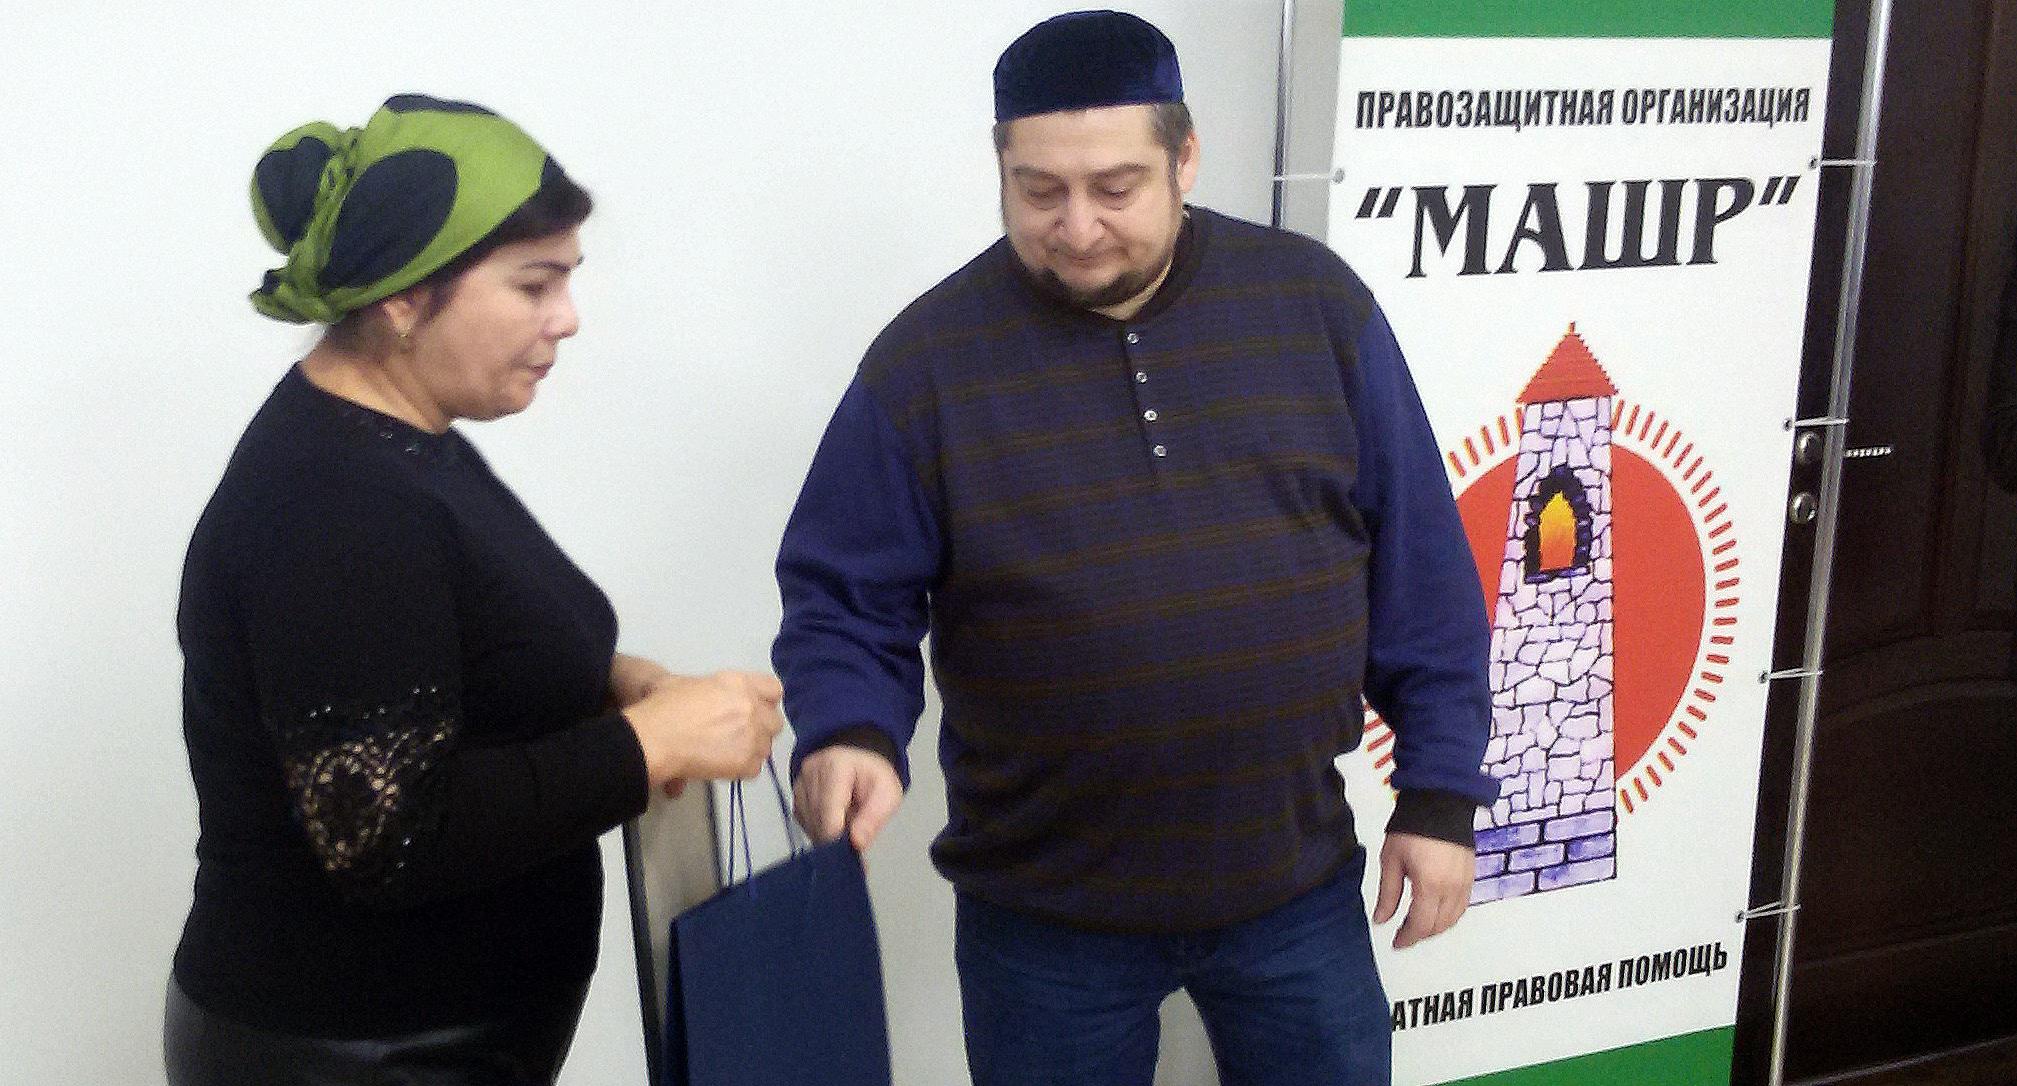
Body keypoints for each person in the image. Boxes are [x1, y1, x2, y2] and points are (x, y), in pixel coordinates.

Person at [772, 11, 1494, 1085]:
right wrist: (850, 729)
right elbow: (844, 596)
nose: (1076, 228)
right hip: (1043, 919)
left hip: (1293, 889)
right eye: (1038, 191)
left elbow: (1420, 572)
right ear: (1000, 168)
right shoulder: (925, 362)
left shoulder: (1313, 305)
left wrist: (1438, 796)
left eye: (1115, 188)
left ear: (1184, 158)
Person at [167, 94, 783, 1084]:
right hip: (355, 1053)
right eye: (535, 284)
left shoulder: (400, 441)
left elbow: (439, 647)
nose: (567, 318)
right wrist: (650, 743)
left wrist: (603, 682)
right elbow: (388, 835)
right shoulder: (335, 503)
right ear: (406, 298)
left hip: (427, 1040)